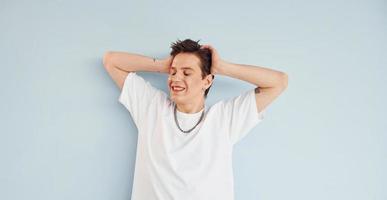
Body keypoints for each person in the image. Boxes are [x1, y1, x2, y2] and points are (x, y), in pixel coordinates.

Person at [102, 39, 288, 200]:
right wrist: (161, 66)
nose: (176, 78)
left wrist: (222, 67)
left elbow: (278, 82)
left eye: (187, 73)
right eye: (173, 72)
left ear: (207, 81)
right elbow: (111, 60)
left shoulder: (225, 118)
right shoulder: (151, 107)